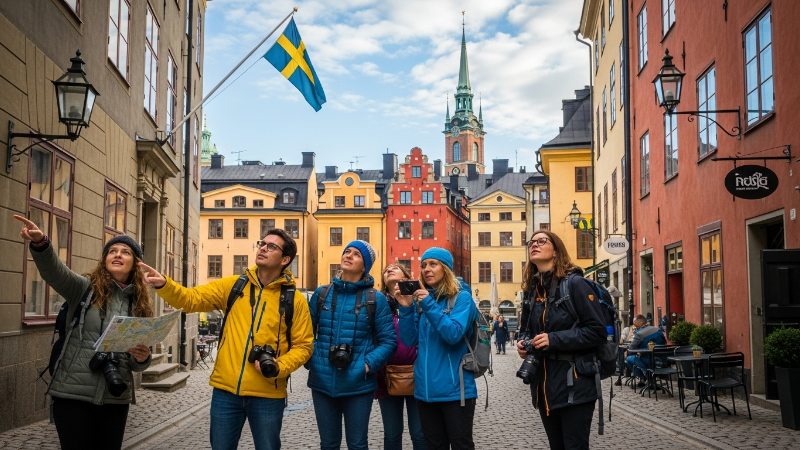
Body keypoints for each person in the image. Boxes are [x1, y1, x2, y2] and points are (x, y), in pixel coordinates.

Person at [139, 228, 313, 450]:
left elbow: (304, 346)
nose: (263, 248)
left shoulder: (295, 301)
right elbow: (191, 299)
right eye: (262, 243)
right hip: (226, 393)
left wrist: (281, 366)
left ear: (285, 259)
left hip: (268, 394)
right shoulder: (234, 286)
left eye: (271, 246)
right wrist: (164, 284)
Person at [14, 215, 153, 450]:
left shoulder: (139, 305)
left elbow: (137, 362)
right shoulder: (83, 288)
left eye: (125, 252)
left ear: (135, 264)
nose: (118, 254)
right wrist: (41, 244)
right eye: (112, 251)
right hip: (73, 395)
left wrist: (142, 357)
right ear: (105, 259)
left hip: (115, 395)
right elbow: (55, 271)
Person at [516, 231, 608, 450]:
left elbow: (597, 332)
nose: (534, 245)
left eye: (541, 241)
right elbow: (525, 330)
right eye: (531, 242)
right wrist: (523, 344)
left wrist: (553, 339)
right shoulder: (533, 290)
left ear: (556, 251)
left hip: (575, 383)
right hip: (544, 385)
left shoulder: (575, 285)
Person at [306, 240, 397, 450]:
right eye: (346, 251)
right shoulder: (322, 294)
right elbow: (304, 334)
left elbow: (388, 342)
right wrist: (314, 361)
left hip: (358, 384)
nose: (348, 255)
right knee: (328, 444)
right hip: (322, 383)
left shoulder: (376, 299)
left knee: (357, 444)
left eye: (356, 254)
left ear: (365, 266)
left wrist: (366, 365)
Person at [395, 247, 479, 450]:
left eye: (433, 264)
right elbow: (409, 340)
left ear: (446, 269)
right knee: (434, 446)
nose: (426, 269)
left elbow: (453, 334)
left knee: (461, 445)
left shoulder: (462, 298)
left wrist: (429, 305)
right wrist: (406, 308)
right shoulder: (422, 300)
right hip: (425, 391)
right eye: (423, 265)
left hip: (455, 391)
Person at [376, 263, 427, 450]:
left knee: (420, 434)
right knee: (391, 433)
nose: (389, 270)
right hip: (386, 375)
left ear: (406, 277)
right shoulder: (378, 303)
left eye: (395, 268)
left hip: (418, 374)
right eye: (386, 269)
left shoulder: (420, 301)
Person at [625, 314, 667, 382]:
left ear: (641, 322)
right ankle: (649, 378)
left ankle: (644, 377)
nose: (633, 324)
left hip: (650, 361)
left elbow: (631, 349)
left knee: (629, 359)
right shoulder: (657, 329)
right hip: (663, 360)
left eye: (634, 322)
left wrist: (631, 352)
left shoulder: (639, 333)